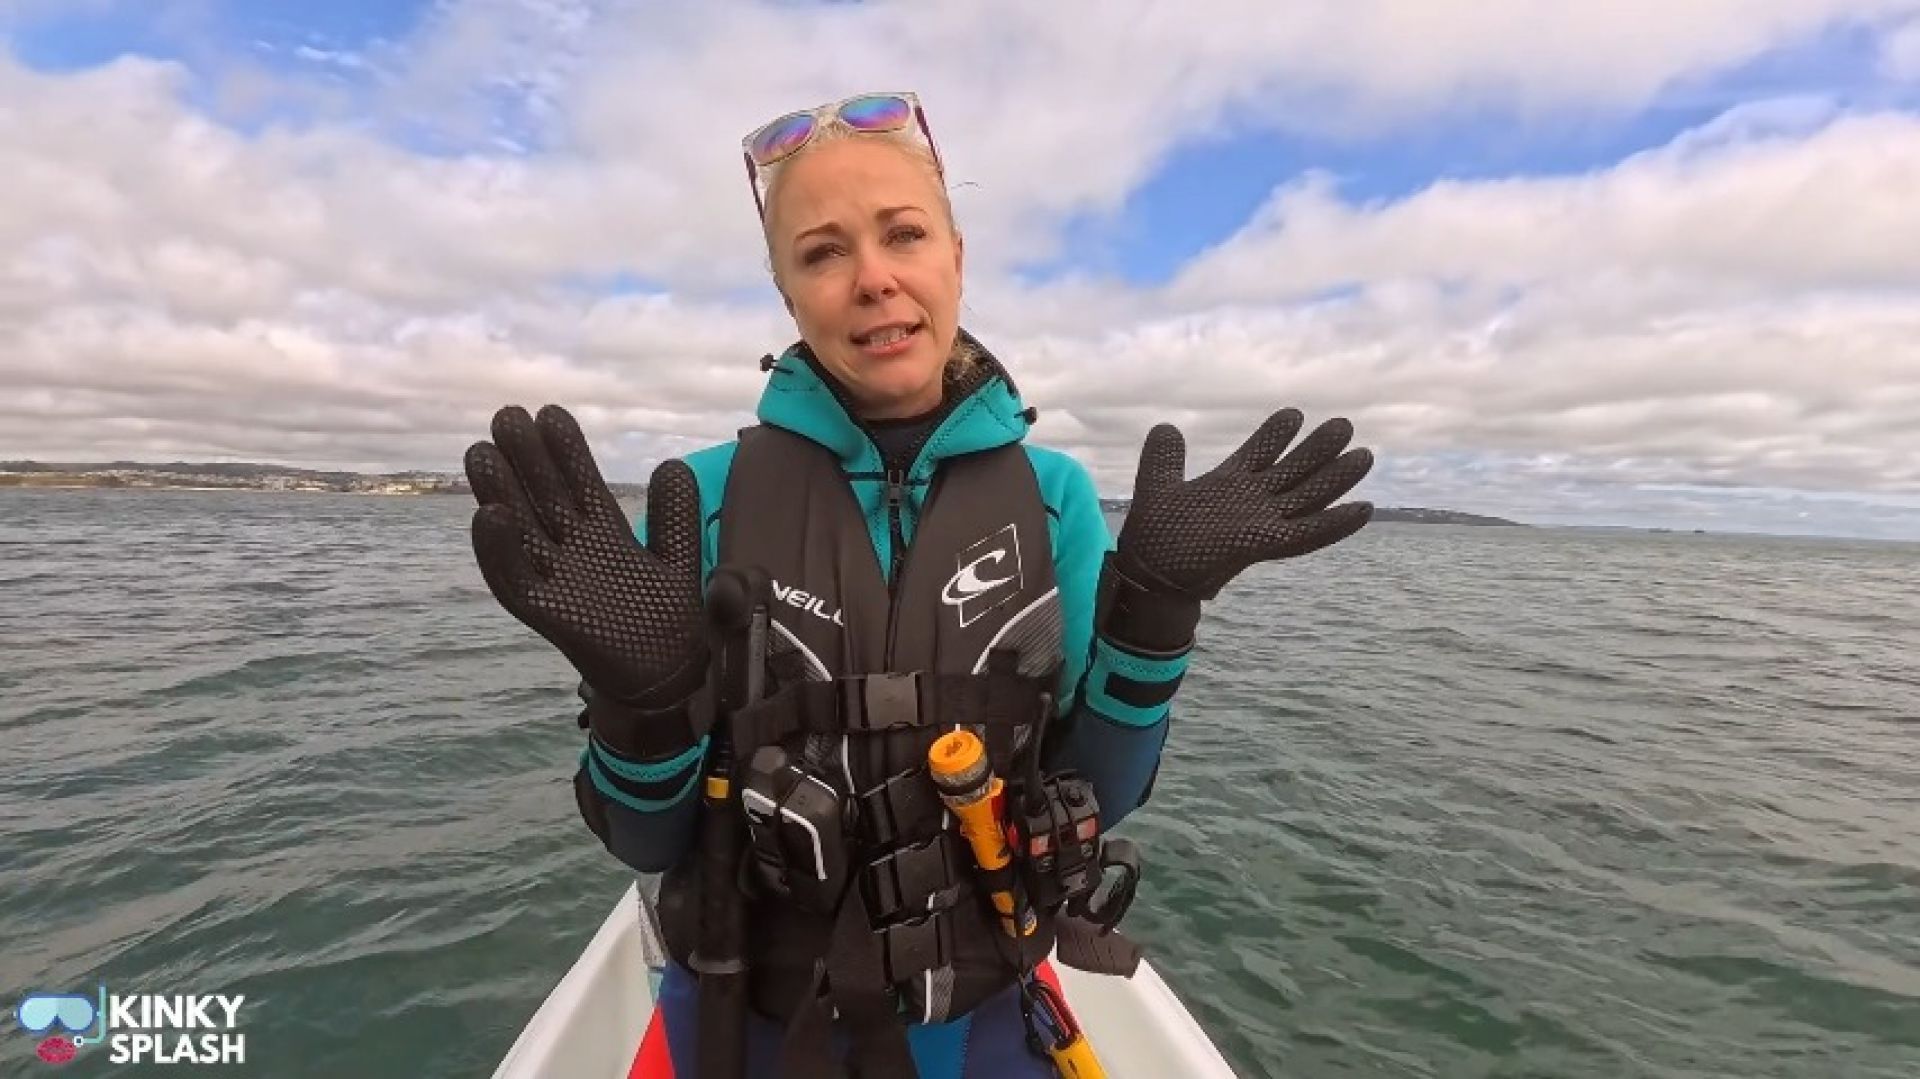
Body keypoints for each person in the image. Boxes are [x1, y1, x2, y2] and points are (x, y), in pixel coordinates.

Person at [464, 91, 1375, 1078]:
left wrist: (1156, 613)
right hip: (746, 1023)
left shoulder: (1054, 497)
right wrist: (641, 708)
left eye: (904, 233)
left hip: (984, 1015)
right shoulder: (704, 500)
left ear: (957, 256)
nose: (873, 278)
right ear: (788, 296)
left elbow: (1099, 795)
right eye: (822, 252)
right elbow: (650, 836)